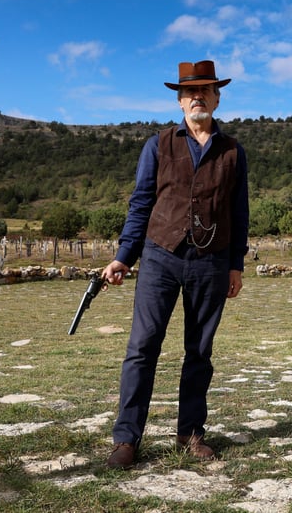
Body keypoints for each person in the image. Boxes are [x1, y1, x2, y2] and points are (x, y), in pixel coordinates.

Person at [102, 60, 249, 468]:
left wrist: (235, 264)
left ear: (217, 98)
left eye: (205, 90)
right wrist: (123, 257)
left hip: (211, 261)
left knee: (199, 351)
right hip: (159, 258)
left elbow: (239, 213)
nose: (197, 97)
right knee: (142, 348)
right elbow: (141, 203)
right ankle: (127, 439)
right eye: (189, 92)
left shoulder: (233, 151)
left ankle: (191, 433)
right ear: (180, 100)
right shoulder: (159, 144)